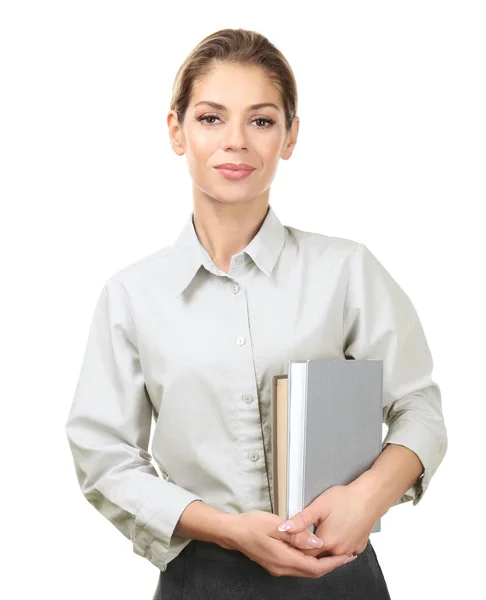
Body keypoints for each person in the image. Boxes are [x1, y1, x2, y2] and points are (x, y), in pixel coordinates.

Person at [64, 28, 448, 599]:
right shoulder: (132, 296)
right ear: (177, 130)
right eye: (211, 118)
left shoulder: (346, 271)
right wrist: (226, 529)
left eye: (262, 120)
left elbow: (419, 407)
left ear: (290, 136)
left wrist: (365, 498)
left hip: (340, 576)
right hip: (202, 578)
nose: (236, 141)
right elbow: (103, 456)